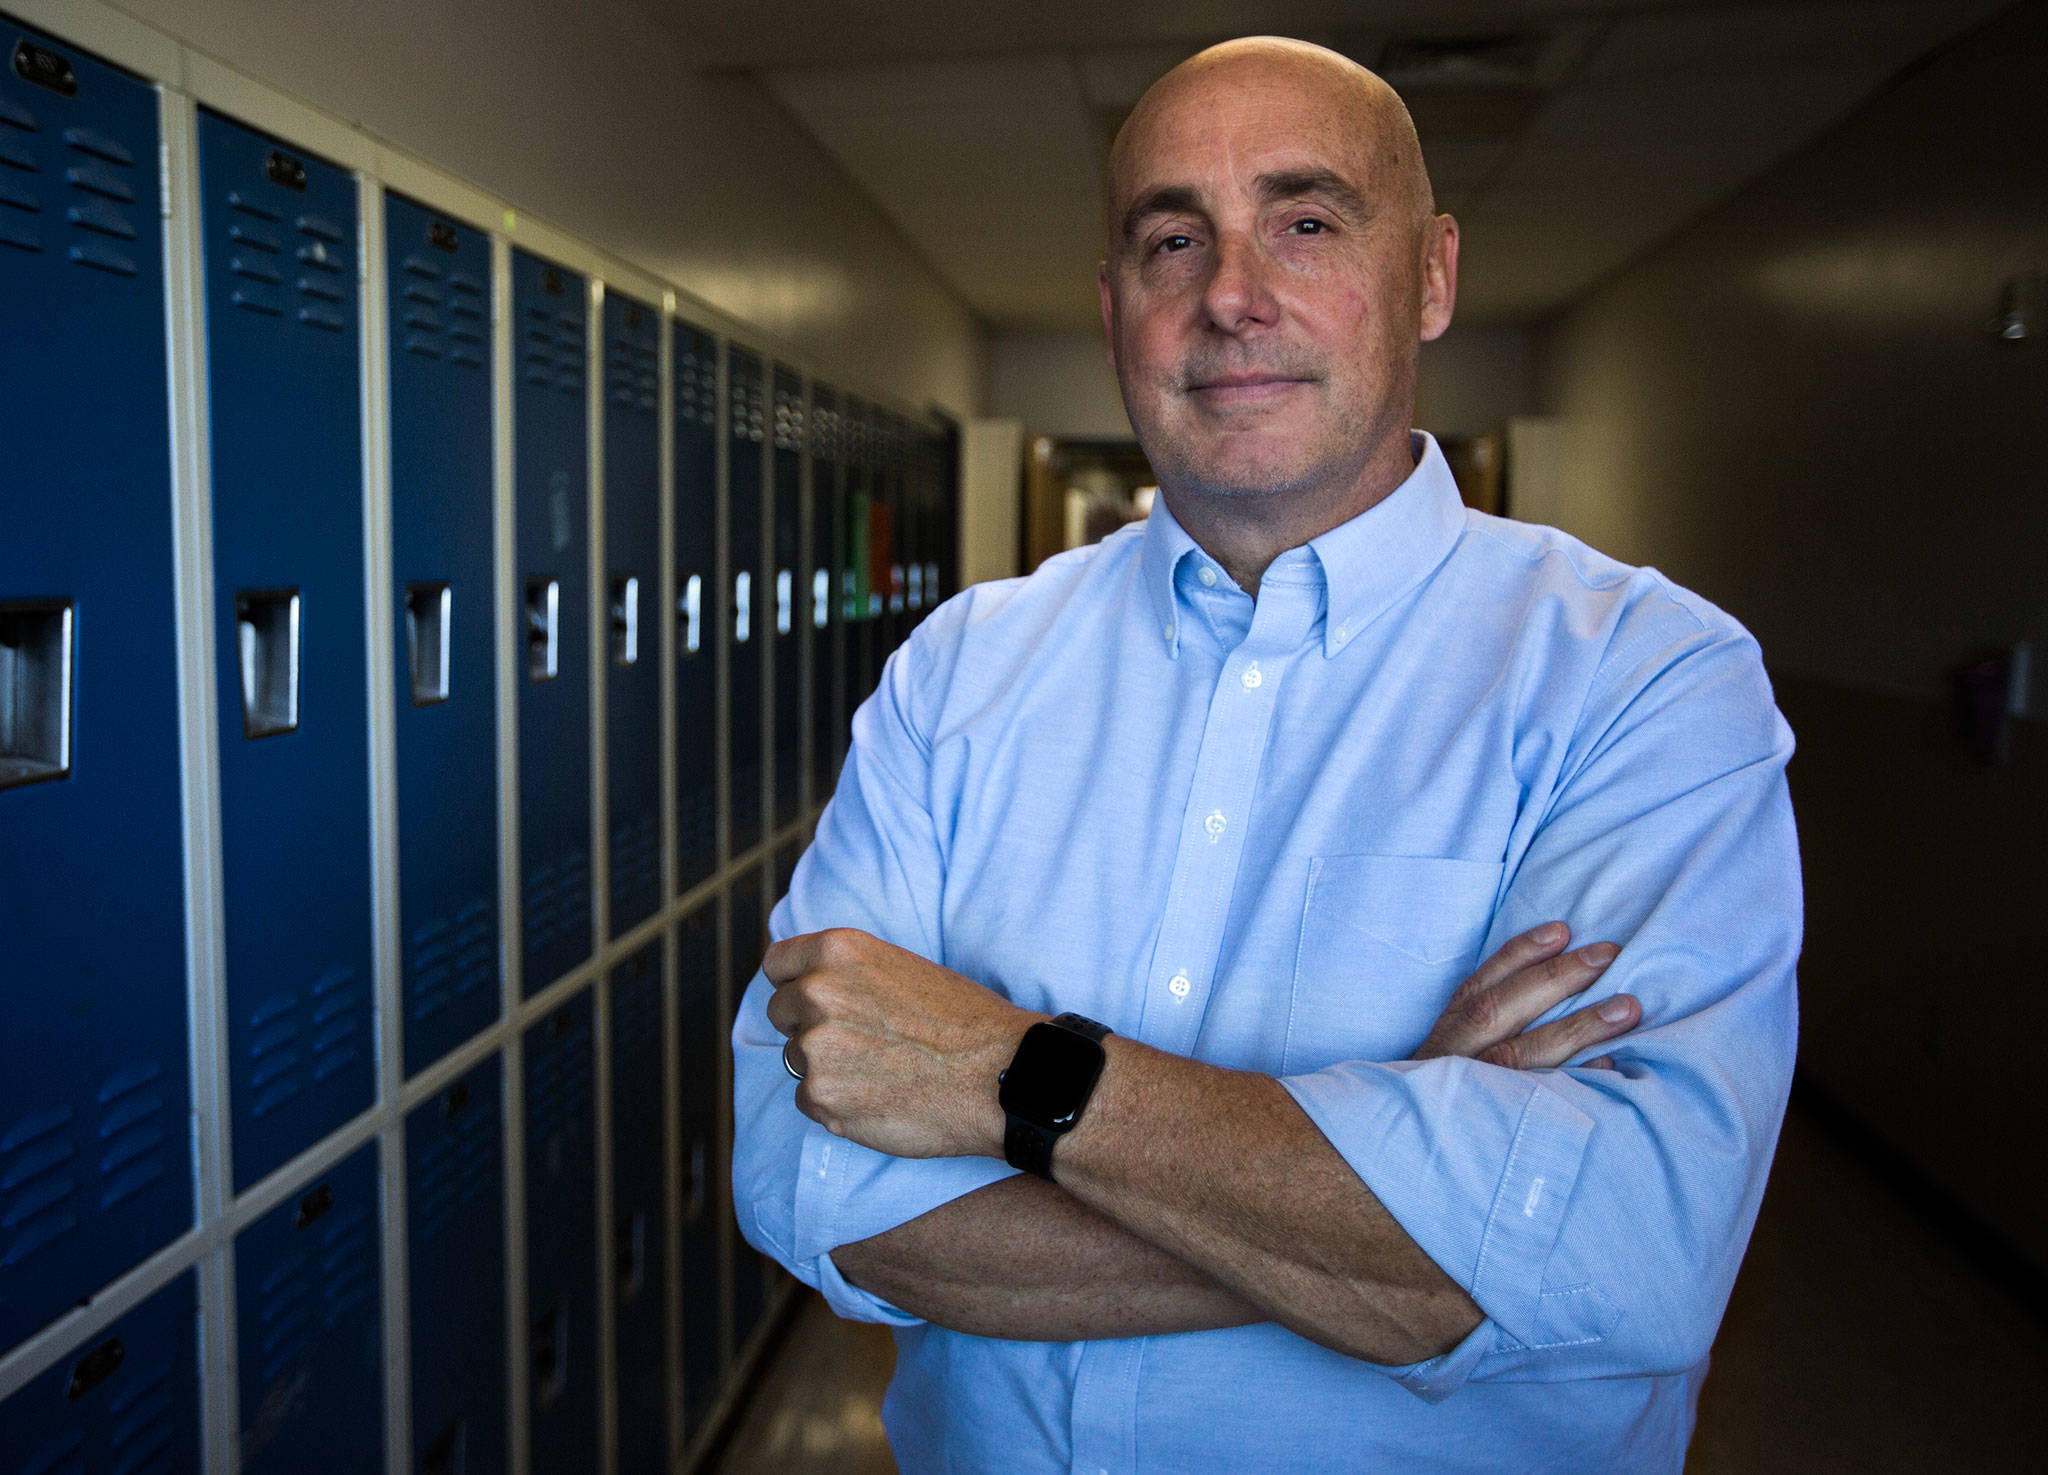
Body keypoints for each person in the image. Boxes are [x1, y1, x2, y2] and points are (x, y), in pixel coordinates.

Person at [732, 35, 1800, 1474]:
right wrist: (1385, 1167)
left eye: (1306, 223)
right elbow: (800, 1177)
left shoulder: (1645, 678)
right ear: (1115, 311)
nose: (1231, 297)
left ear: (1431, 276)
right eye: (1174, 239)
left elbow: (1620, 1256)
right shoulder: (960, 671)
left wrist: (1009, 1078)